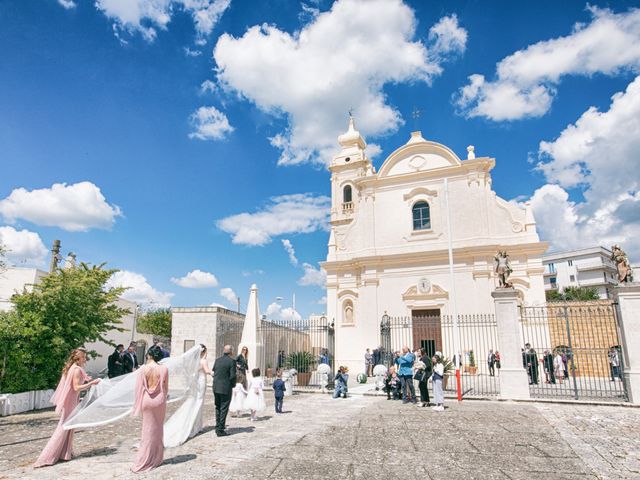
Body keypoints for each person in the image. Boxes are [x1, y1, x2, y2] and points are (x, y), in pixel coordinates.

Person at [34, 348, 100, 467]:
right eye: (83, 357)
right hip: (71, 402)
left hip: (71, 400)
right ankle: (47, 456)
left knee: (69, 427)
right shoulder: (76, 370)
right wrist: (92, 383)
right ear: (77, 358)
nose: (85, 360)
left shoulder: (73, 368)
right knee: (64, 427)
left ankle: (65, 453)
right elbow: (76, 388)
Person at [163, 344, 212, 448]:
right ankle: (194, 426)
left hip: (195, 383)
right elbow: (207, 371)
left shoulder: (193, 362)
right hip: (201, 382)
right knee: (199, 403)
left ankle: (196, 425)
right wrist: (215, 373)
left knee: (194, 402)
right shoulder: (203, 361)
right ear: (204, 352)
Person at [131, 345, 168, 473]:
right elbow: (165, 387)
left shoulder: (143, 369)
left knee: (146, 429)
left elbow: (138, 388)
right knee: (158, 428)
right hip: (159, 400)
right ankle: (156, 458)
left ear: (149, 355)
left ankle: (145, 458)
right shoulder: (163, 369)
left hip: (146, 400)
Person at [212, 345, 236, 437]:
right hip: (225, 387)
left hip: (216, 387)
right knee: (224, 408)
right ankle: (220, 429)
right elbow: (232, 376)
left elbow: (215, 371)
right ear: (231, 352)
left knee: (217, 407)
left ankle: (218, 426)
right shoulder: (231, 361)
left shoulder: (217, 360)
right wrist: (233, 385)